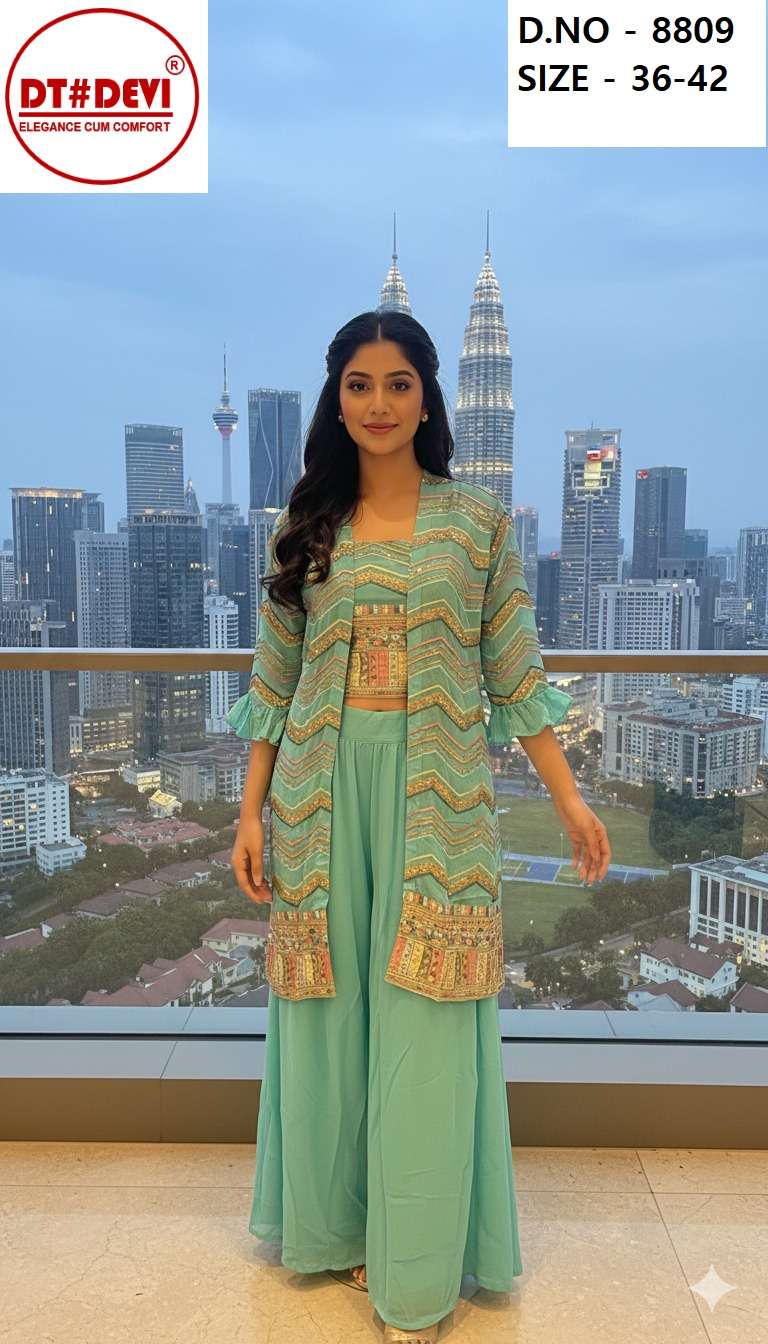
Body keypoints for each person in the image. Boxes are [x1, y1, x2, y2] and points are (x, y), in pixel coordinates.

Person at [228, 309, 611, 1342]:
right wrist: (250, 812)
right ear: (336, 398)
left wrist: (570, 797)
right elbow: (275, 681)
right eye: (359, 384)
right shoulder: (307, 524)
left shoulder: (476, 524)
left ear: (430, 397)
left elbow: (514, 671)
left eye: (399, 383)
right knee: (331, 1018)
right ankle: (336, 1229)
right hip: (319, 798)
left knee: (426, 1025)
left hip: (439, 802)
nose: (379, 403)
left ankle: (420, 1261)